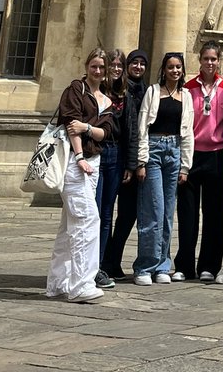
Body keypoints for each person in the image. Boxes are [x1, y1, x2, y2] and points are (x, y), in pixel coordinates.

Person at [46, 48, 115, 303]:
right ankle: (81, 285)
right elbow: (70, 124)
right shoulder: (76, 89)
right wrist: (79, 157)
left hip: (93, 162)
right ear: (86, 66)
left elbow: (105, 133)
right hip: (77, 163)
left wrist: (87, 127)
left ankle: (58, 282)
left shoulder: (106, 99)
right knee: (87, 219)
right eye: (94, 66)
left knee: (69, 225)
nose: (97, 71)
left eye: (102, 67)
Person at [175, 42, 223, 282]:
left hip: (215, 154)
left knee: (213, 213)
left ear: (219, 61)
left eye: (214, 59)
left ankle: (209, 265)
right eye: (206, 59)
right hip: (191, 155)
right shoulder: (188, 88)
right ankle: (184, 265)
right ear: (199, 60)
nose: (209, 63)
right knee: (188, 213)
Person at [133, 52, 194, 286]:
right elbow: (142, 128)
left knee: (168, 213)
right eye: (171, 67)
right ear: (164, 69)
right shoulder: (153, 91)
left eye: (178, 67)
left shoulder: (186, 96)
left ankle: (162, 265)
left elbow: (188, 133)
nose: (175, 71)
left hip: (175, 152)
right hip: (154, 150)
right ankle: (144, 266)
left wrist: (185, 166)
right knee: (152, 210)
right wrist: (141, 160)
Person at [102, 48, 147, 280]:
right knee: (105, 212)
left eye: (142, 63)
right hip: (109, 156)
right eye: (134, 63)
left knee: (128, 214)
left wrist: (133, 164)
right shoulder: (116, 90)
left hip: (128, 159)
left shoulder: (147, 91)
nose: (137, 67)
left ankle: (112, 258)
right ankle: (103, 261)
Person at [93, 49, 126, 289]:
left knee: (106, 213)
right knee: (91, 212)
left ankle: (100, 266)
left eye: (118, 65)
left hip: (116, 154)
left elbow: (130, 130)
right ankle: (88, 264)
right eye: (111, 65)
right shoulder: (94, 91)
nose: (115, 69)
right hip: (95, 152)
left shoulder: (126, 95)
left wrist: (131, 163)